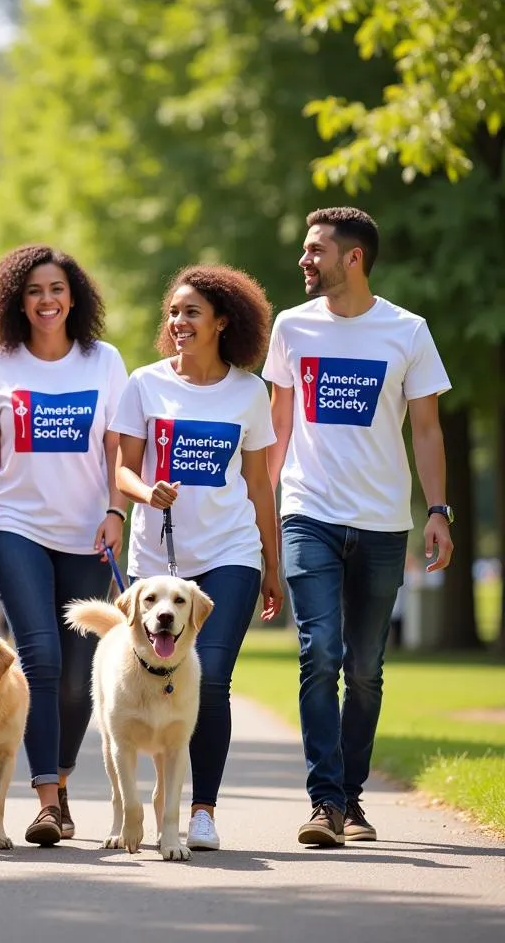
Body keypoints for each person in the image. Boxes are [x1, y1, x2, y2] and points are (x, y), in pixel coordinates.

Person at [263, 206, 453, 848]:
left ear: (354, 258)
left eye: (315, 250)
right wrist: (265, 515)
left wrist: (437, 510)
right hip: (307, 511)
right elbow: (277, 429)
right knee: (321, 653)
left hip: (379, 522)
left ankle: (352, 796)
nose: (304, 260)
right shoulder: (291, 327)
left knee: (366, 668)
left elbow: (426, 429)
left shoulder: (407, 331)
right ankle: (324, 802)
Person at [112, 264, 282, 853]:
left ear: (222, 321)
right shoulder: (145, 383)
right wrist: (143, 491)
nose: (178, 323)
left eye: (191, 313)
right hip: (156, 562)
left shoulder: (249, 390)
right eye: (174, 313)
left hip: (230, 553)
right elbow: (122, 468)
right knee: (152, 677)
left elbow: (260, 484)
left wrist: (272, 562)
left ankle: (202, 810)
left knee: (210, 680)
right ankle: (154, 797)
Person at [0, 244, 128, 846]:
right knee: (40, 659)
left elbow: (119, 448)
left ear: (75, 297)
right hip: (16, 526)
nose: (46, 300)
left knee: (75, 674)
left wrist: (118, 510)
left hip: (88, 529)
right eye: (34, 291)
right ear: (17, 299)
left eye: (57, 290)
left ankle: (61, 784)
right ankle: (43, 800)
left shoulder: (103, 361)